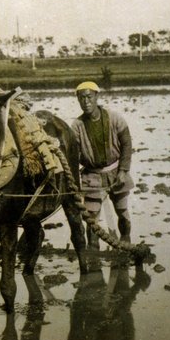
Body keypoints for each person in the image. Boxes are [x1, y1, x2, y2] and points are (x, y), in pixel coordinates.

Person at [71, 81, 134, 250]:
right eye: (81, 98)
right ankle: (93, 252)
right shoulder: (77, 126)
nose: (86, 101)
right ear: (78, 100)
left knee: (122, 211)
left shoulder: (115, 118)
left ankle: (126, 241)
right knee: (92, 217)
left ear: (96, 97)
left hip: (115, 171)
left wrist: (123, 170)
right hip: (92, 176)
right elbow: (73, 154)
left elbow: (127, 144)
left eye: (89, 97)